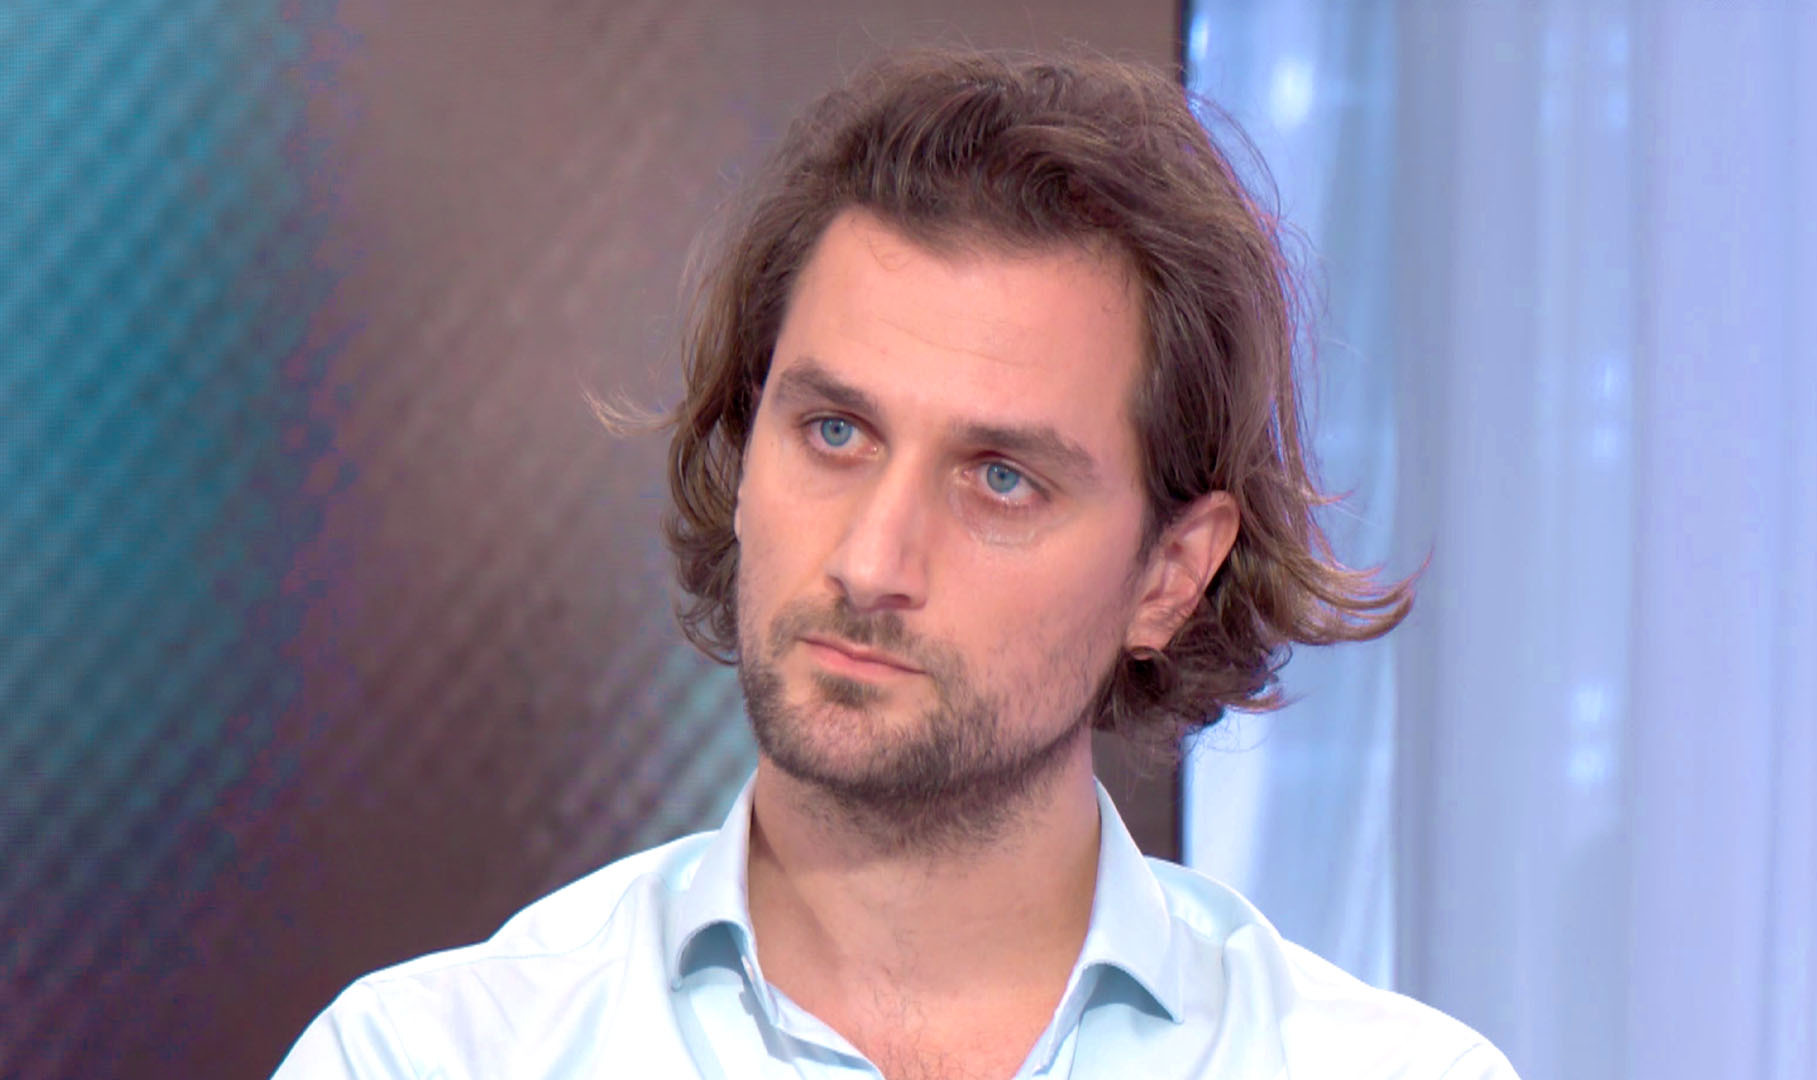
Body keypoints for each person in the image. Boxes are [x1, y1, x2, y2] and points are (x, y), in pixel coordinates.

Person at [275, 48, 1519, 1079]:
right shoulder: (424, 1058)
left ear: (1171, 575)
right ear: (743, 452)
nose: (872, 562)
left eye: (1001, 478)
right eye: (835, 433)